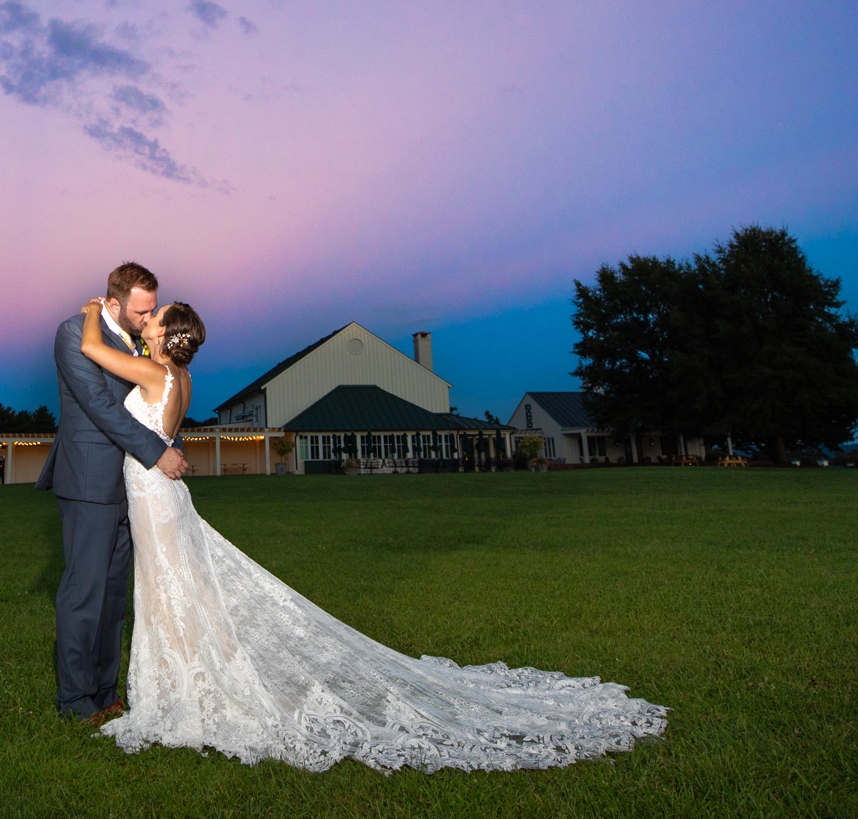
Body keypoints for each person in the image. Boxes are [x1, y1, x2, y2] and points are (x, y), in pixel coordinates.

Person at [76, 295, 669, 773]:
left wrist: (90, 314)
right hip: (162, 492)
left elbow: (87, 349)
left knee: (168, 587)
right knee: (180, 587)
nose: (146, 321)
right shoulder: (179, 379)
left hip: (153, 494)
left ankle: (186, 690)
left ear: (163, 336)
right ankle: (192, 677)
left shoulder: (152, 372)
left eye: (153, 318)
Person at [36, 262, 189, 723]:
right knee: (84, 591)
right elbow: (100, 407)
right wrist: (156, 454)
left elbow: (149, 402)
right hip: (88, 482)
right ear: (116, 303)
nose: (147, 320)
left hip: (131, 485)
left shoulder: (136, 338)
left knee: (113, 594)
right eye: (141, 312)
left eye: (151, 313)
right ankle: (75, 700)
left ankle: (105, 691)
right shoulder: (72, 333)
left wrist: (169, 447)